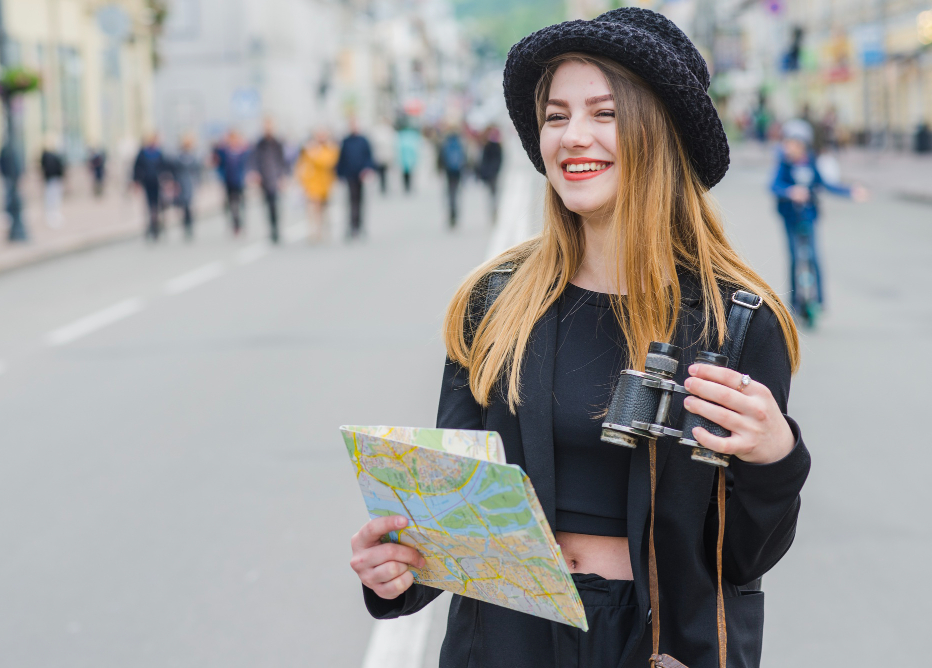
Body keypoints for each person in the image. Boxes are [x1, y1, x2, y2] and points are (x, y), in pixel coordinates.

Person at [349, 9, 812, 668]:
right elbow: (454, 525)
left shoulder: (736, 321)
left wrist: (775, 457)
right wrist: (395, 571)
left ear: (660, 133)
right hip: (508, 641)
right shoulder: (494, 304)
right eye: (556, 116)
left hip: (658, 648)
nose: (573, 137)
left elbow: (741, 557)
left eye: (605, 113)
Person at [771, 119, 866, 315]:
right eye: (788, 143)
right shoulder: (784, 165)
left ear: (803, 145)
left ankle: (820, 299)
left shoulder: (811, 163)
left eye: (795, 144)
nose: (790, 147)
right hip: (790, 218)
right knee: (794, 258)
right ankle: (794, 302)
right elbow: (774, 185)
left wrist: (850, 191)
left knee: (813, 257)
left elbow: (826, 184)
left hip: (809, 216)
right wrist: (790, 192)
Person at [295, 127, 339, 243]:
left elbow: (328, 162)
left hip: (325, 185)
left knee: (324, 210)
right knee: (312, 209)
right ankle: (313, 232)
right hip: (312, 185)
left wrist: (314, 155)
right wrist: (302, 181)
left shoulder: (329, 148)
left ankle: (323, 231)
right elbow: (302, 166)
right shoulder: (309, 149)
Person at [336, 119, 375, 240]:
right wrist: (340, 174)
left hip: (361, 175)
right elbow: (341, 158)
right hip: (350, 174)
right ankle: (352, 226)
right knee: (352, 201)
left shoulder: (363, 140)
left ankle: (359, 225)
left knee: (360, 201)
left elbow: (368, 157)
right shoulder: (346, 141)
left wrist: (367, 169)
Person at [252, 118, 288, 244]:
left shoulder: (278, 143)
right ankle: (271, 229)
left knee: (275, 205)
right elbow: (254, 159)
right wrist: (255, 173)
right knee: (267, 205)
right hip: (264, 179)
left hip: (275, 178)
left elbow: (283, 161)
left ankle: (276, 229)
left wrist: (282, 177)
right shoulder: (259, 143)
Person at [215, 129, 252, 235]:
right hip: (228, 182)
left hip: (240, 181)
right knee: (230, 205)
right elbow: (219, 164)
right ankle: (234, 225)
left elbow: (248, 163)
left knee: (241, 204)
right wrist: (222, 177)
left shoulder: (242, 151)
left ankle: (242, 224)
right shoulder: (224, 152)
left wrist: (247, 176)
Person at [133, 133, 168, 241]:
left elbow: (164, 167)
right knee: (149, 206)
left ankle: (157, 226)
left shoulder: (159, 153)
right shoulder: (143, 153)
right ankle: (151, 226)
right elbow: (136, 168)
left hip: (158, 183)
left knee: (157, 206)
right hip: (147, 182)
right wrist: (136, 181)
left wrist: (166, 180)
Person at [171, 134, 202, 240]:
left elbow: (198, 172)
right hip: (181, 184)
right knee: (183, 206)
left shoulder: (193, 158)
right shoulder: (178, 158)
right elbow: (174, 172)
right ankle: (186, 224)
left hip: (190, 184)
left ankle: (189, 225)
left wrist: (198, 183)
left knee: (189, 206)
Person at [438, 127, 467, 228]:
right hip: (458, 172)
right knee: (456, 192)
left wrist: (440, 168)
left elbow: (441, 157)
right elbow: (465, 158)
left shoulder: (446, 143)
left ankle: (451, 212)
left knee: (450, 192)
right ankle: (455, 212)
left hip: (449, 172)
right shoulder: (460, 143)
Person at [478, 125, 504, 224]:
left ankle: (494, 210)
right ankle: (494, 210)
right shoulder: (498, 144)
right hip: (494, 173)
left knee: (492, 193)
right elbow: (500, 159)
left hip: (490, 174)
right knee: (494, 193)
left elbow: (483, 160)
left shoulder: (487, 145)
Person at [40, 139, 65, 229]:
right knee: (52, 198)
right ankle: (52, 215)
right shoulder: (49, 156)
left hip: (53, 179)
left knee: (52, 198)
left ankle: (53, 215)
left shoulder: (49, 156)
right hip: (52, 179)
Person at [370, 118, 396, 195]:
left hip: (385, 156)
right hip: (381, 156)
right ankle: (383, 186)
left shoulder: (389, 130)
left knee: (384, 172)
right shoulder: (379, 131)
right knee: (382, 172)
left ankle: (384, 186)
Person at [397, 124, 421, 193]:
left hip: (405, 159)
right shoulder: (413, 138)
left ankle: (406, 187)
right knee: (409, 174)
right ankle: (408, 186)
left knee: (405, 174)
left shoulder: (401, 137)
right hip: (409, 159)